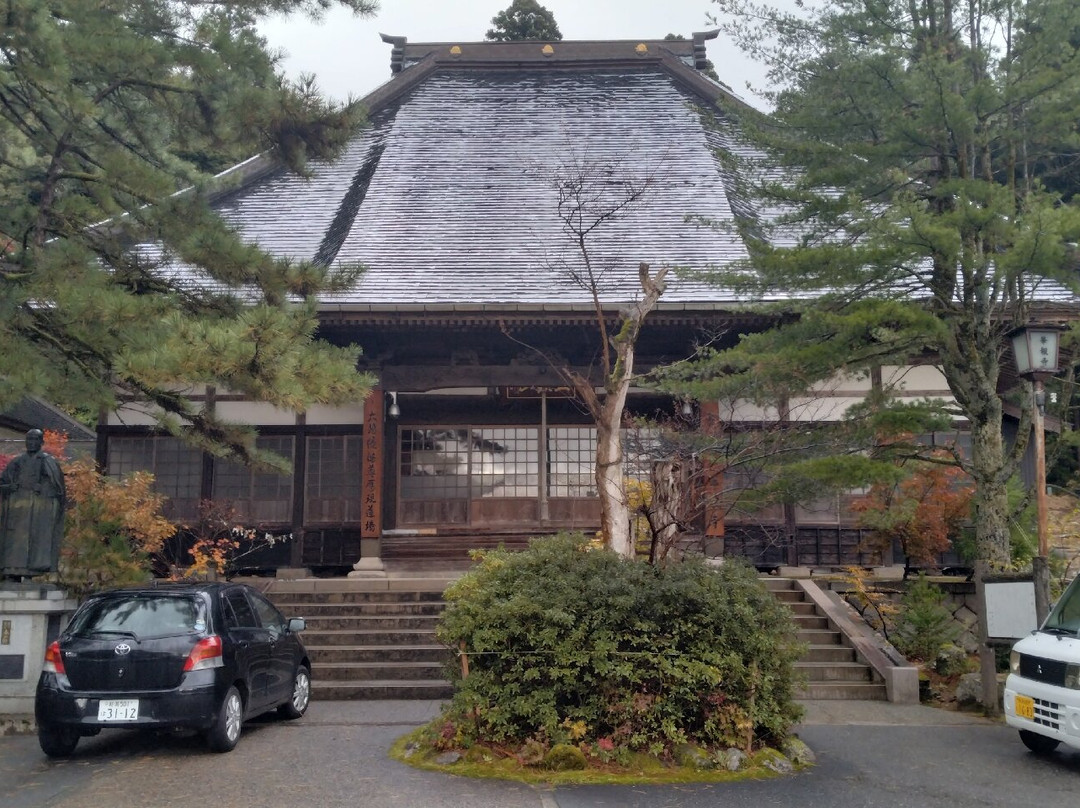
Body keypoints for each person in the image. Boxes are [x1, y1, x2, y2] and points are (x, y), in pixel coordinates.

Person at [0, 429, 66, 580]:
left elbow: (57, 488)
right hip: (16, 510)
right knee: (14, 541)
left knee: (34, 541)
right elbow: (3, 482)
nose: (31, 443)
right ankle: (12, 572)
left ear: (41, 442)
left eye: (34, 440)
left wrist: (42, 489)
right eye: (28, 439)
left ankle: (31, 573)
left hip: (38, 512)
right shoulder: (16, 461)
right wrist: (9, 488)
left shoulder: (47, 461)